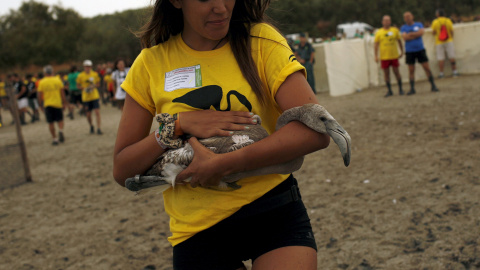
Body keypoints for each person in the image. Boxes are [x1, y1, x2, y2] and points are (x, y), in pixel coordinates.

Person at [113, 0, 331, 269]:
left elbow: (316, 130)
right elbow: (123, 170)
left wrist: (224, 165)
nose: (221, 7)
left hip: (273, 211)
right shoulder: (150, 62)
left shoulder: (261, 40)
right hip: (196, 232)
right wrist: (178, 125)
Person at [401, 11, 439, 95]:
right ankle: (412, 88)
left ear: (412, 16)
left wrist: (411, 34)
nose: (407, 18)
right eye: (406, 17)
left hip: (420, 49)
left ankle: (433, 85)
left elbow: (421, 33)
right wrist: (415, 34)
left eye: (409, 16)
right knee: (411, 70)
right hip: (410, 51)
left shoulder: (418, 24)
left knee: (427, 68)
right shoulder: (403, 27)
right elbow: (405, 37)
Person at [375, 15, 404, 97]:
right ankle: (389, 90)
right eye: (385, 20)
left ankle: (400, 89)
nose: (387, 22)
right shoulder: (379, 32)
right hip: (384, 57)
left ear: (390, 22)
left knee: (396, 72)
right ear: (382, 22)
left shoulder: (395, 30)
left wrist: (402, 51)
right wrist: (376, 55)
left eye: (388, 20)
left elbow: (399, 41)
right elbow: (376, 44)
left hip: (394, 56)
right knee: (386, 74)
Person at [37, 65, 67, 145]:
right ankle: (60, 130)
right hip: (57, 103)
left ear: (45, 73)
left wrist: (40, 105)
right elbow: (62, 92)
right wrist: (64, 102)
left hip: (48, 104)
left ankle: (55, 139)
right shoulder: (57, 80)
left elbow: (39, 94)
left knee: (50, 122)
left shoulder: (42, 82)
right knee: (60, 120)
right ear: (52, 72)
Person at [77, 60, 103, 135]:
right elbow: (78, 85)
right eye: (86, 66)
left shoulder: (94, 74)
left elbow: (98, 84)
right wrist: (84, 88)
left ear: (91, 67)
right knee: (88, 114)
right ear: (84, 67)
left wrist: (93, 86)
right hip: (86, 98)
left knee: (97, 112)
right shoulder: (80, 75)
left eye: (89, 66)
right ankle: (91, 125)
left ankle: (99, 128)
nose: (87, 68)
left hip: (94, 96)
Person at [431, 9, 458, 78]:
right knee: (451, 56)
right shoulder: (448, 21)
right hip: (449, 41)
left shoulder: (435, 22)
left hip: (439, 42)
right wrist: (451, 38)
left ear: (437, 14)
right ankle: (455, 72)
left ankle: (441, 74)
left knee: (440, 58)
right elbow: (451, 31)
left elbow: (433, 32)